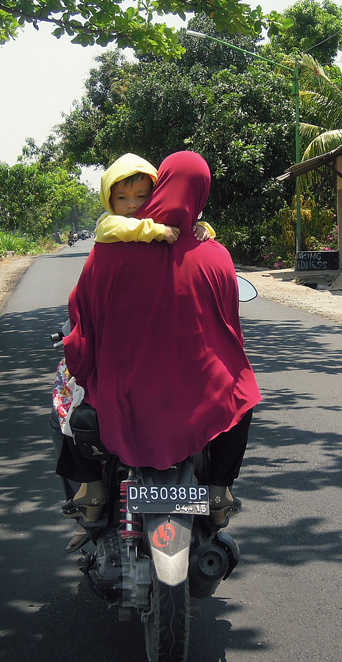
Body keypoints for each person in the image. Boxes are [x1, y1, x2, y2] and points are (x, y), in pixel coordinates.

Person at [59, 150, 260, 551]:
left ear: (160, 185)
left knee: (65, 401)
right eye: (124, 198)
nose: (133, 204)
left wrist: (80, 358)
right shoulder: (216, 255)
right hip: (198, 398)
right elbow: (229, 333)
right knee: (243, 395)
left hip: (124, 394)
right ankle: (218, 491)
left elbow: (82, 317)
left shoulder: (108, 250)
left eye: (141, 194)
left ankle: (91, 492)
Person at [94, 153, 215, 245]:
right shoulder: (108, 221)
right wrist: (155, 230)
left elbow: (181, 224)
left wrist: (202, 228)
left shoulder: (158, 218)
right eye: (121, 198)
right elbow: (106, 229)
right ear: (109, 200)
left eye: (141, 196)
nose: (131, 204)